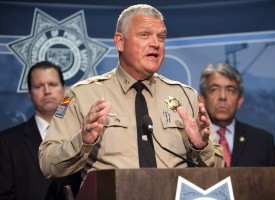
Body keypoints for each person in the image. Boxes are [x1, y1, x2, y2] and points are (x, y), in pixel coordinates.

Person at [39, 4, 224, 181]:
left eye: (161, 37)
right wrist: (82, 141)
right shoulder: (83, 95)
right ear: (120, 42)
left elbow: (219, 165)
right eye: (145, 35)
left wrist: (201, 147)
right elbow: (48, 164)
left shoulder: (186, 97)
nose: (156, 44)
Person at [0, 61, 81, 200]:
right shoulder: (6, 142)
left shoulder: (84, 136)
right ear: (29, 94)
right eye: (39, 86)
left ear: (65, 91)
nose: (47, 91)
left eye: (53, 84)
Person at [199, 63, 275, 167]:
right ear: (203, 100)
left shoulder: (263, 141)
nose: (223, 96)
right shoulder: (192, 142)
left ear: (239, 101)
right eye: (214, 89)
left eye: (230, 90)